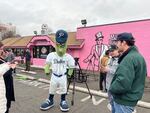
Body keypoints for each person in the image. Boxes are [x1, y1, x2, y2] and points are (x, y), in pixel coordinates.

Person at [109, 33, 147, 113]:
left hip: (123, 102)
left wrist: (111, 88)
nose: (116, 44)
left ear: (124, 43)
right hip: (130, 100)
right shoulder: (138, 56)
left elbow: (122, 83)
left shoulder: (129, 59)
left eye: (117, 42)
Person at [40, 30, 75, 112]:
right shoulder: (51, 55)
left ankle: (63, 100)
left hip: (63, 76)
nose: (60, 46)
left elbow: (71, 66)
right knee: (52, 88)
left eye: (63, 44)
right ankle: (50, 100)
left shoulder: (68, 56)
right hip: (54, 75)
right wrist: (47, 70)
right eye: (59, 43)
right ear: (56, 43)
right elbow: (47, 64)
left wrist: (70, 73)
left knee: (63, 89)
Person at [101, 44, 120, 113]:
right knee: (111, 103)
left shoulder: (121, 60)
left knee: (116, 104)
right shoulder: (110, 59)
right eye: (110, 51)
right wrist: (104, 70)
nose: (110, 52)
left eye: (112, 50)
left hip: (115, 86)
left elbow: (119, 72)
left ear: (117, 50)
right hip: (109, 86)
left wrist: (107, 70)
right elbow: (108, 68)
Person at [0, 42, 17, 113]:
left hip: (7, 86)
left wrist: (8, 64)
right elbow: (3, 72)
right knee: (5, 107)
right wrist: (10, 67)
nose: (3, 51)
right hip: (4, 88)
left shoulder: (3, 59)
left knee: (6, 105)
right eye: (1, 49)